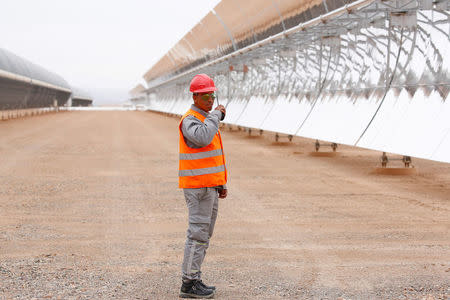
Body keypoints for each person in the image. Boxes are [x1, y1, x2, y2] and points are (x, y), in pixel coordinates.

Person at [179, 74, 228, 299]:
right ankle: (189, 283)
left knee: (204, 235)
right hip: (198, 188)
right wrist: (216, 115)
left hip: (209, 187)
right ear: (196, 96)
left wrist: (220, 183)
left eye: (213, 95)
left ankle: (194, 278)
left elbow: (210, 157)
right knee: (197, 235)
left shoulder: (205, 118)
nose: (211, 100)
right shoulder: (190, 120)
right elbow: (203, 138)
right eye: (207, 96)